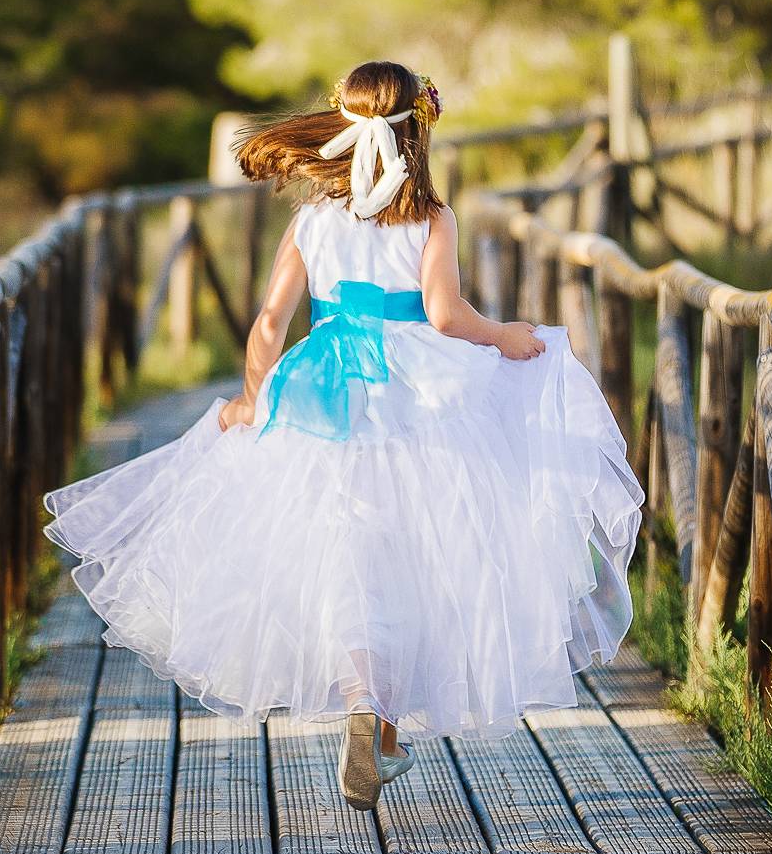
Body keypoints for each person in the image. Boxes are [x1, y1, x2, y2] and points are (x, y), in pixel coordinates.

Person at [44, 60, 641, 810]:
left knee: (346, 552)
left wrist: (256, 401)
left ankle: (365, 703)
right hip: (415, 391)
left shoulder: (315, 219)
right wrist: (508, 338)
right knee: (414, 554)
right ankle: (380, 732)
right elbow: (447, 317)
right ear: (417, 133)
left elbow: (268, 322)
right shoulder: (431, 218)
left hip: (324, 385)